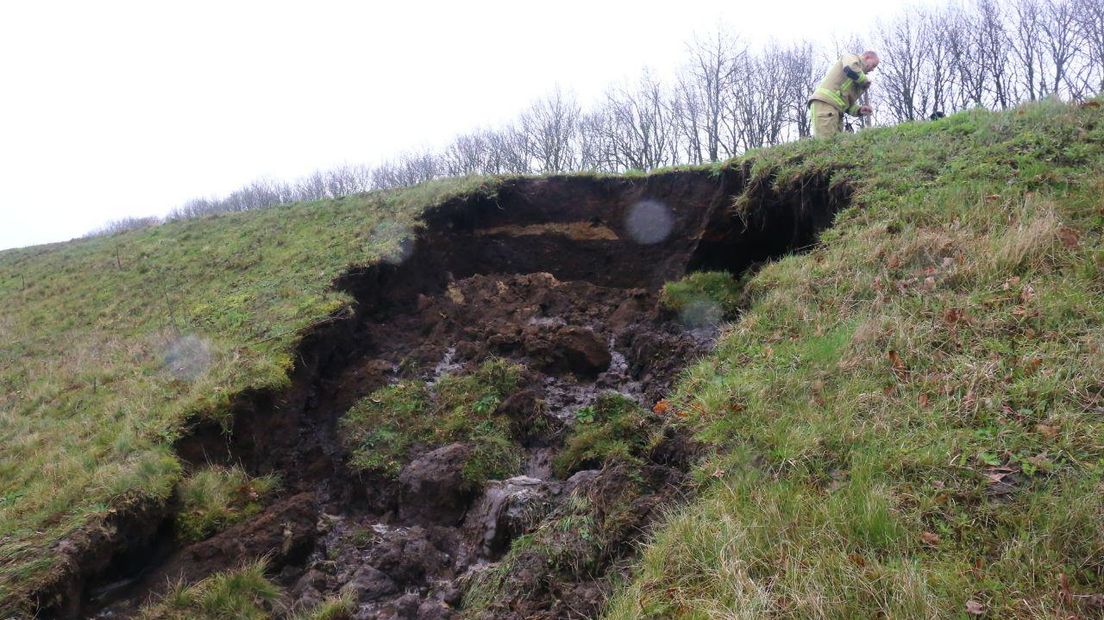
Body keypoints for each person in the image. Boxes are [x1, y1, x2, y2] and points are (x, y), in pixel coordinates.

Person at [808, 51, 879, 138]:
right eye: (874, 65)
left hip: (837, 112)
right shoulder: (852, 58)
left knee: (836, 145)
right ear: (867, 57)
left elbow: (848, 104)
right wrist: (864, 81)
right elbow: (849, 68)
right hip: (825, 104)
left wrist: (859, 110)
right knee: (825, 143)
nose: (873, 69)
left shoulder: (858, 81)